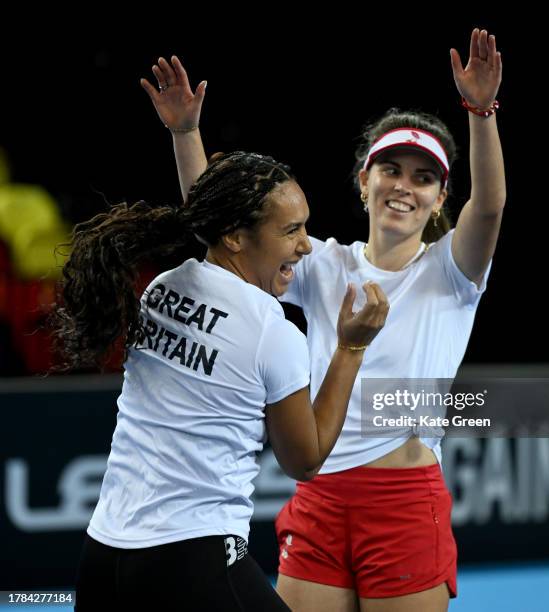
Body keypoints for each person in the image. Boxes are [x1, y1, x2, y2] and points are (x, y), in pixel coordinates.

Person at [145, 27, 504, 611]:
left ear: (441, 199)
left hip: (405, 501)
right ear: (364, 182)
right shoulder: (323, 262)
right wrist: (186, 134)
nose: (404, 187)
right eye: (391, 170)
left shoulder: (453, 271)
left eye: (423, 178)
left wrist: (480, 111)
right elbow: (226, 227)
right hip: (318, 495)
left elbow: (488, 206)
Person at [50, 149, 389, 611]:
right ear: (233, 235)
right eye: (291, 230)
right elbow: (304, 462)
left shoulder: (162, 288)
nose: (306, 245)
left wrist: (184, 134)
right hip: (191, 561)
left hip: (103, 558)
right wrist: (351, 348)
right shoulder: (272, 332)